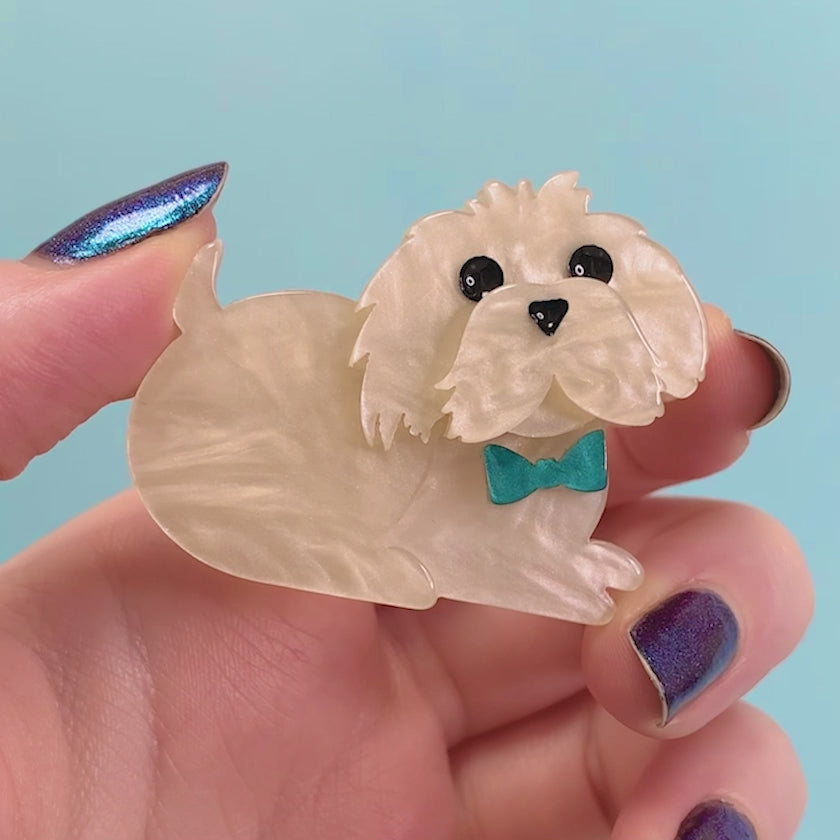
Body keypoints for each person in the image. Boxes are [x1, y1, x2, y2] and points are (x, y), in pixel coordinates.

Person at [0, 163, 811, 840]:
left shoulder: (576, 472)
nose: (548, 303)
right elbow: (450, 552)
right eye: (479, 282)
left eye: (588, 267)